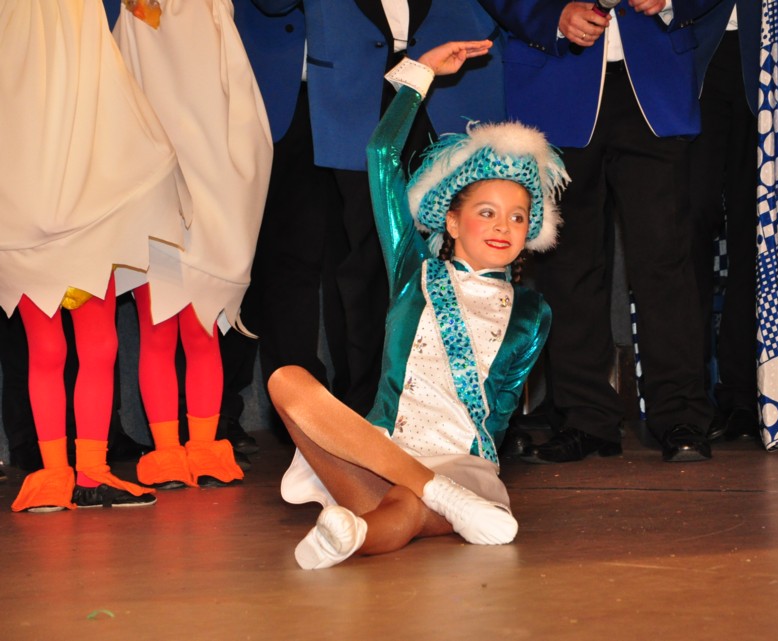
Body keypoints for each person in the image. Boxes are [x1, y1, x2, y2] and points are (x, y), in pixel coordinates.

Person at [267, 41, 568, 569]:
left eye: (518, 217)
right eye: (487, 212)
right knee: (285, 379)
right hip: (378, 454)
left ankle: (351, 535)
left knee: (403, 507)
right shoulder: (415, 271)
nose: (503, 226)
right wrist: (419, 76)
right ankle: (432, 495)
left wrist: (468, 477)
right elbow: (381, 158)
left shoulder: (532, 313)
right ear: (452, 221)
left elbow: (498, 413)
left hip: (461, 465)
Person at [478, 0, 721, 463]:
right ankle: (585, 418)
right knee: (567, 266)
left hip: (656, 85)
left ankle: (680, 415)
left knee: (666, 259)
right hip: (553, 83)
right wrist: (551, 16)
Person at [244, 0, 506, 418]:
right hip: (343, 89)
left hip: (436, 78)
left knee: (450, 256)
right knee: (360, 260)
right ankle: (363, 410)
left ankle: (448, 405)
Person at [2, 0, 184, 511]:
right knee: (81, 344)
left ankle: (70, 473)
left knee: (69, 346)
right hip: (69, 199)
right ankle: (77, 472)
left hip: (43, 202)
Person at [108, 0, 273, 488]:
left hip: (212, 193)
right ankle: (166, 452)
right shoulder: (133, 14)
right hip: (152, 191)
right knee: (158, 329)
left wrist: (234, 190)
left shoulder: (214, 10)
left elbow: (241, 112)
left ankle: (203, 448)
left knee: (202, 331)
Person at [689, 0, 762, 441]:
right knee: (688, 221)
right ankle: (688, 395)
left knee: (756, 232)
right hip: (690, 52)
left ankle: (746, 392)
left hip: (774, 55)